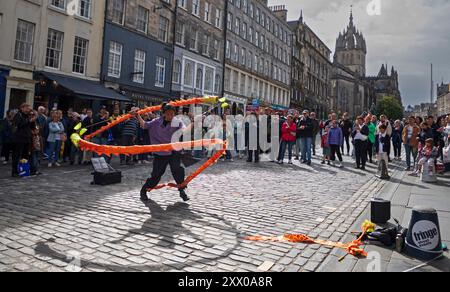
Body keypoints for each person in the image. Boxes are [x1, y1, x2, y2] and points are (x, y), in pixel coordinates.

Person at [136, 104, 191, 203]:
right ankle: (144, 190)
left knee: (177, 170)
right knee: (156, 175)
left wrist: (183, 130)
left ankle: (182, 190)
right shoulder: (156, 122)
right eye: (168, 114)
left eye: (172, 114)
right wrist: (138, 115)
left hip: (174, 151)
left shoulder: (176, 121)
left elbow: (183, 127)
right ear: (164, 114)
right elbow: (144, 125)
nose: (170, 116)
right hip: (160, 153)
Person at [11, 103, 35, 177]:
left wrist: (33, 120)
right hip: (18, 139)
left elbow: (31, 127)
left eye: (29, 108)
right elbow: (19, 124)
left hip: (27, 138)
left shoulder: (28, 116)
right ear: (22, 108)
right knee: (16, 156)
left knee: (25, 156)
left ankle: (24, 170)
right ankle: (14, 172)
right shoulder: (18, 115)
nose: (28, 109)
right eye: (27, 108)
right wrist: (29, 121)